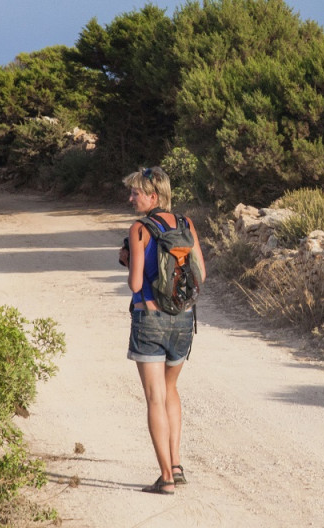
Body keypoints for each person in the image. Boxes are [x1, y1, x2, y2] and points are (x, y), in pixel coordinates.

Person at [119, 166, 206, 495]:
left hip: (150, 319)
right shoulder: (186, 224)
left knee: (155, 398)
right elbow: (203, 274)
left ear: (153, 196)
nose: (131, 198)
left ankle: (166, 478)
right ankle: (178, 465)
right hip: (183, 321)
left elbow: (136, 283)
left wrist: (128, 260)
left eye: (135, 193)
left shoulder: (139, 230)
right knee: (170, 392)